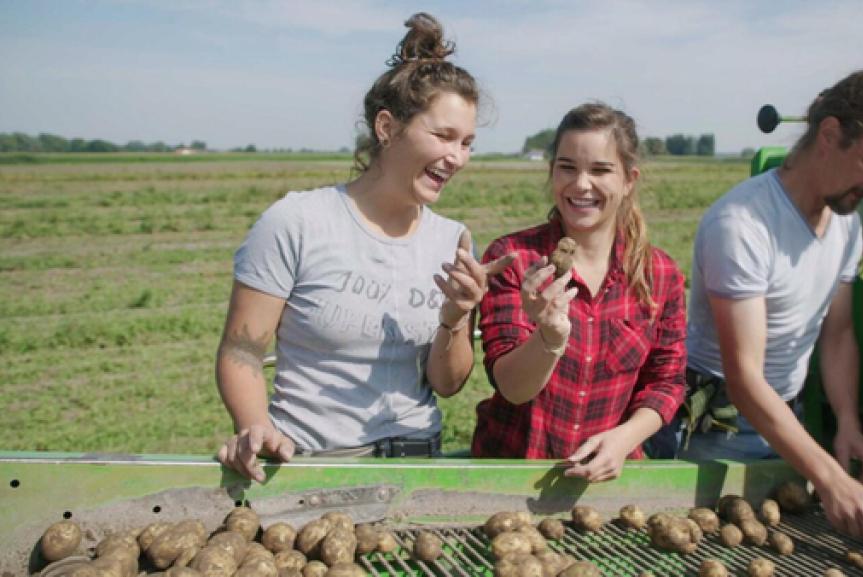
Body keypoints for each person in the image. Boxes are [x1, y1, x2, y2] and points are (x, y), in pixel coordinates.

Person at [215, 13, 512, 482]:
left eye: (468, 143)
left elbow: (447, 383)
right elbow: (241, 351)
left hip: (418, 464)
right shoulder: (297, 222)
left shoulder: (451, 237)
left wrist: (455, 316)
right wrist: (255, 426)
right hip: (310, 462)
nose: (457, 158)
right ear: (387, 127)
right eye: (443, 136)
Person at [659, 67, 863, 550]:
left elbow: (837, 332)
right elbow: (744, 377)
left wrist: (846, 424)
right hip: (718, 427)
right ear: (830, 134)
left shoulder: (844, 224)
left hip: (785, 419)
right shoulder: (743, 225)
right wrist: (830, 478)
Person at [471, 102, 688, 482]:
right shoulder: (516, 261)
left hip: (605, 484)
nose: (581, 184)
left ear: (628, 180)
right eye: (567, 167)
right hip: (510, 477)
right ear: (552, 172)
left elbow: (666, 381)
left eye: (601, 170)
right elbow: (512, 388)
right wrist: (549, 338)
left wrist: (624, 439)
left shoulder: (659, 275)